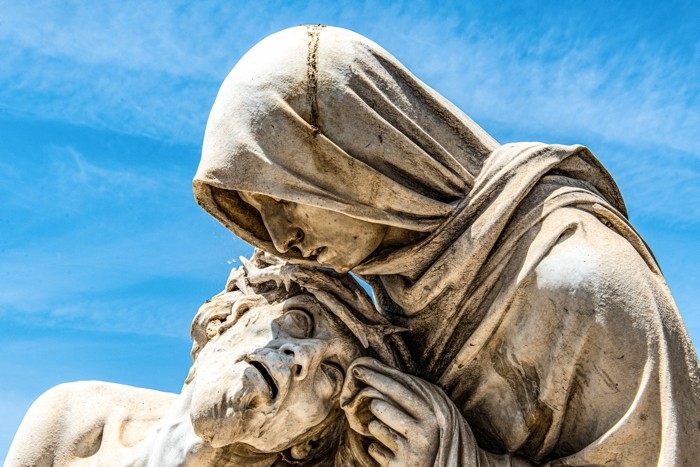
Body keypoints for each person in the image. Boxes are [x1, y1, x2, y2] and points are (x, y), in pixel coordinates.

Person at [193, 25, 700, 465]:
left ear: (356, 157)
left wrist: (458, 459)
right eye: (259, 214)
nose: (281, 238)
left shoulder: (580, 279)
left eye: (286, 199)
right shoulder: (382, 288)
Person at [5, 252, 411, 466]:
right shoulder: (75, 419)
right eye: (297, 320)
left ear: (310, 442)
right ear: (223, 321)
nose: (302, 355)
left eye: (331, 375)